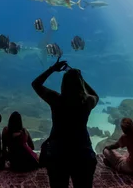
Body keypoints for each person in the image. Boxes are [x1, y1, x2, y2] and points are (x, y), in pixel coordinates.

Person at [32, 60, 99, 188]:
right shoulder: (87, 102)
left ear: (63, 84)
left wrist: (52, 69)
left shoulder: (56, 99)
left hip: (58, 153)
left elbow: (35, 84)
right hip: (83, 153)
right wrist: (80, 79)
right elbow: (95, 95)